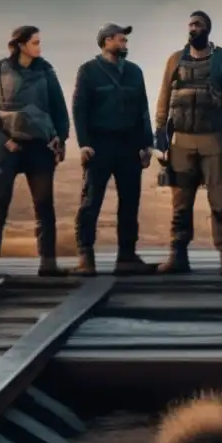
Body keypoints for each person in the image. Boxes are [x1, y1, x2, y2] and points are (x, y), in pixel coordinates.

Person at [154, 10, 222, 275]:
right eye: (190, 24)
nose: (193, 28)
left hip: (213, 142)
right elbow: (164, 96)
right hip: (181, 142)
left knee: (219, 200)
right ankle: (178, 253)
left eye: (198, 24)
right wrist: (160, 134)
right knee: (180, 201)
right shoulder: (175, 60)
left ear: (207, 29)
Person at [0, 25, 70, 279]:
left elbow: (60, 111)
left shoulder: (46, 71)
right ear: (21, 45)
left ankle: (48, 263)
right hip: (9, 149)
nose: (39, 48)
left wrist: (60, 140)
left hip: (40, 148)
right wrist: (1, 141)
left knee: (44, 207)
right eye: (35, 43)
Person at [72, 23, 155, 276]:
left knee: (130, 201)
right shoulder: (88, 71)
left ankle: (127, 256)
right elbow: (80, 109)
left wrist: (146, 144)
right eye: (121, 40)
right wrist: (84, 143)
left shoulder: (134, 72)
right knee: (91, 201)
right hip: (100, 145)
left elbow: (143, 109)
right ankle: (86, 256)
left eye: (125, 41)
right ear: (106, 41)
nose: (125, 44)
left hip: (129, 145)